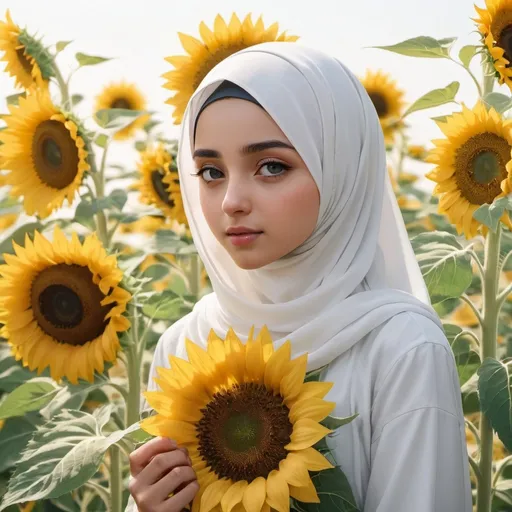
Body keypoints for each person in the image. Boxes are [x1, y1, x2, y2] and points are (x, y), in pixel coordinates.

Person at [126, 42, 472, 512]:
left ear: (340, 170)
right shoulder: (186, 344)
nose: (231, 201)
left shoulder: (401, 350)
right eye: (211, 172)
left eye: (271, 167)